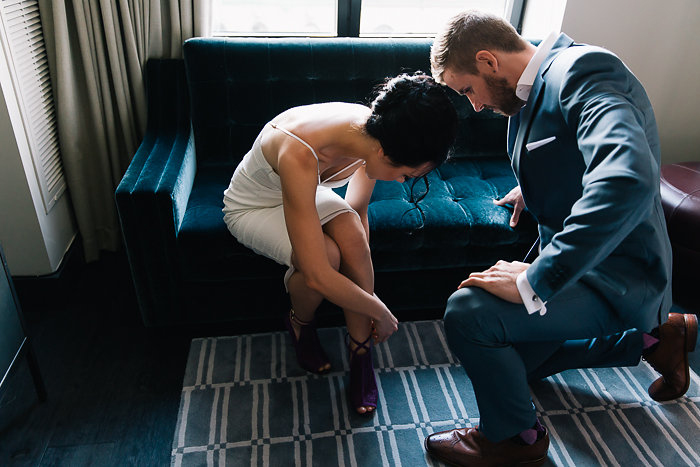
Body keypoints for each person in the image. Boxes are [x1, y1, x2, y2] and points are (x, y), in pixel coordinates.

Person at [424, 10, 698, 466]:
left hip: (616, 273)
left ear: (489, 61)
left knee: (470, 315)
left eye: (466, 89)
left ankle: (515, 440)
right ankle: (656, 340)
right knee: (518, 367)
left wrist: (534, 282)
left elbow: (626, 179)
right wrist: (531, 189)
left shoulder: (584, 71)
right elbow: (568, 156)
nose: (473, 106)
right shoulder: (527, 96)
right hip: (582, 267)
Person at [222, 73, 458, 415]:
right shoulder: (301, 152)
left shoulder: (378, 133)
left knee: (349, 230)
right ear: (384, 152)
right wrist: (380, 311)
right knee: (326, 258)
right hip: (254, 205)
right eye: (407, 174)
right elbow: (318, 275)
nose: (403, 182)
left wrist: (362, 276)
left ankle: (361, 352)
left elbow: (357, 212)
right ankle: (300, 323)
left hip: (305, 193)